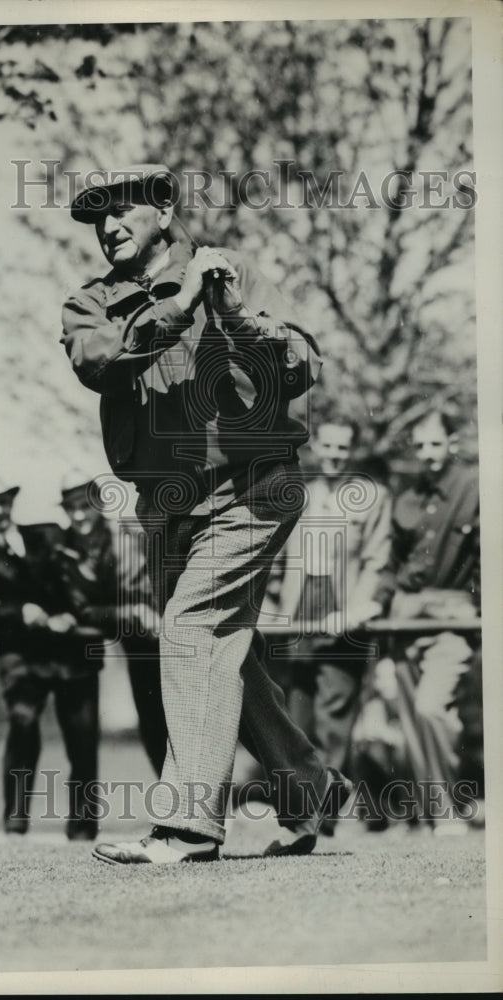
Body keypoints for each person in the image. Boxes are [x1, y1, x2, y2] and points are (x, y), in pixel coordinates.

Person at [61, 163, 350, 864]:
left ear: (163, 207)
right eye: (96, 216)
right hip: (165, 499)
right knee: (223, 654)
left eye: (122, 208)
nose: (108, 226)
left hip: (254, 484)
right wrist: (182, 304)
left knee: (191, 629)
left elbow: (302, 365)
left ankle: (186, 825)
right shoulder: (91, 301)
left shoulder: (236, 272)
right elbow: (96, 362)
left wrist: (233, 316)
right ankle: (307, 787)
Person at [354, 410, 482, 830]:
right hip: (405, 619)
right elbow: (390, 565)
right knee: (410, 720)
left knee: (432, 709)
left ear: (451, 443)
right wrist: (376, 600)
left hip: (453, 619)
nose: (428, 454)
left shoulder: (474, 488)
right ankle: (436, 813)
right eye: (420, 445)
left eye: (435, 443)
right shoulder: (405, 497)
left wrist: (475, 607)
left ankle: (450, 805)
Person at [0, 472, 101, 840]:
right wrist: (19, 612)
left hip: (70, 650)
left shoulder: (48, 534)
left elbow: (76, 580)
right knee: (22, 727)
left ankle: (83, 829)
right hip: (22, 654)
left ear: (11, 502)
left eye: (3, 502)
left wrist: (72, 613)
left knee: (82, 738)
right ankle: (15, 824)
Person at [275, 420, 392, 780]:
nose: (335, 456)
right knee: (298, 709)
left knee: (335, 708)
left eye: (342, 448)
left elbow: (377, 559)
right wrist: (273, 607)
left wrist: (356, 609)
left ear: (352, 451)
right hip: (300, 607)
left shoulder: (373, 497)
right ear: (315, 449)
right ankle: (303, 801)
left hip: (342, 608)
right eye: (328, 447)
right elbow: (277, 559)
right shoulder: (299, 495)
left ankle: (326, 806)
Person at [55, 470, 167, 776]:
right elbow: (82, 609)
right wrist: (130, 613)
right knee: (152, 724)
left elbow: (151, 587)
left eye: (84, 505)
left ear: (100, 503)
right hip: (133, 640)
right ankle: (178, 810)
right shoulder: (66, 548)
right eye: (70, 508)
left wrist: (144, 610)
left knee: (178, 723)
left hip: (165, 636)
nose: (78, 515)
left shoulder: (127, 535)